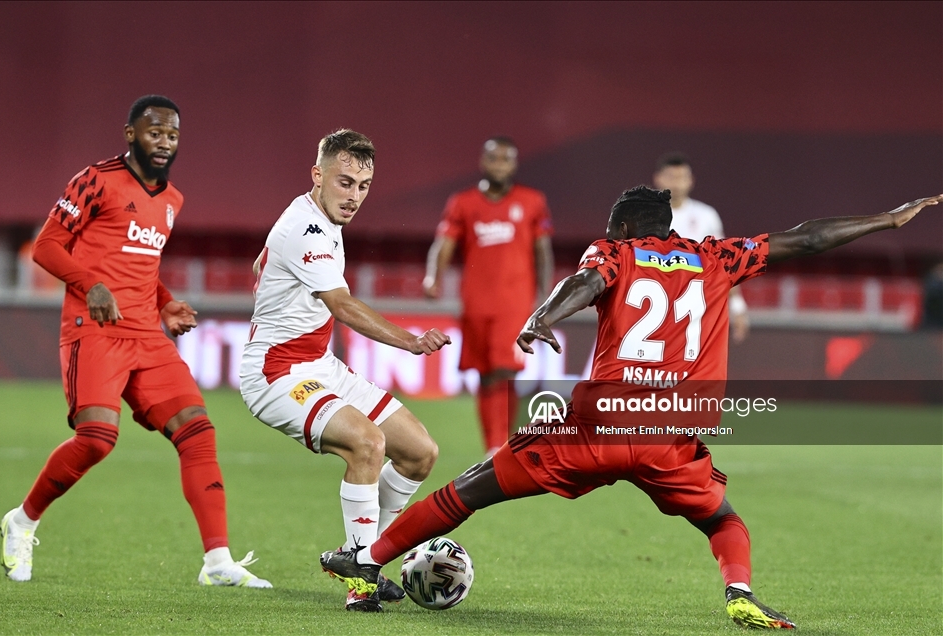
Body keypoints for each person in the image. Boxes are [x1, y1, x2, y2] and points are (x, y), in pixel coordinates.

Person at [321, 186, 943, 628]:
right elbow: (806, 239)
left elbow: (584, 283)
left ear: (625, 226)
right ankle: (740, 592)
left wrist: (541, 317)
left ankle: (366, 560)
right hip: (671, 441)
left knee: (472, 489)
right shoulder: (716, 257)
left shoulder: (616, 252)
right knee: (723, 521)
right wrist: (888, 221)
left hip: (596, 430)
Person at [0, 95, 271, 588]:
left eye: (172, 135)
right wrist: (92, 286)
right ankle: (22, 521)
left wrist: (165, 302)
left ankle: (217, 562)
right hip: (94, 329)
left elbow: (143, 267)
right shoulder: (95, 179)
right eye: (154, 132)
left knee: (198, 430)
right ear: (130, 134)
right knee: (98, 440)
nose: (164, 142)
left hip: (146, 332)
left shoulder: (172, 200)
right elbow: (45, 246)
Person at [240, 129, 451, 612]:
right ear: (318, 175)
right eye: (344, 182)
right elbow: (342, 306)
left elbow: (263, 261)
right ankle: (362, 578)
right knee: (367, 442)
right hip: (277, 374)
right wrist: (411, 341)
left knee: (420, 452)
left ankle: (361, 555)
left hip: (319, 364)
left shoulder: (312, 214)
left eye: (363, 185)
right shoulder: (306, 227)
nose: (354, 196)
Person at [423, 137, 554, 456]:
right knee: (485, 374)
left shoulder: (532, 201)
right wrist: (433, 277)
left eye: (506, 160)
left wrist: (548, 294)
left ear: (514, 164)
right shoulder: (463, 202)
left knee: (505, 370)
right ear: (483, 162)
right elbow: (444, 243)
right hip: (477, 303)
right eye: (494, 159)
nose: (500, 165)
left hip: (515, 303)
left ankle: (500, 445)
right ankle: (492, 445)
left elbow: (542, 249)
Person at [653, 152, 750, 343]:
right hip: (652, 299)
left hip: (693, 303)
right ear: (658, 178)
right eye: (671, 177)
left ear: (691, 181)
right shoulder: (641, 216)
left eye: (681, 178)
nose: (676, 183)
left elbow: (724, 262)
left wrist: (737, 305)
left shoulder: (706, 216)